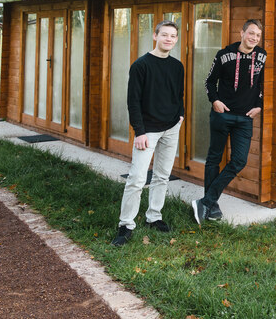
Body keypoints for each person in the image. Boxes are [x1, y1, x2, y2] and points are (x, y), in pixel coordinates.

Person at [112, 21, 185, 246]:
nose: (169, 39)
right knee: (137, 178)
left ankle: (154, 216)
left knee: (162, 175)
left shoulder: (177, 66)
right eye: (165, 35)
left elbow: (178, 94)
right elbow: (133, 101)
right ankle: (126, 225)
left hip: (171, 127)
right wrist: (140, 131)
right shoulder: (140, 65)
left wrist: (180, 116)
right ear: (155, 36)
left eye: (173, 36)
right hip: (148, 131)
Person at [192, 19, 266, 225]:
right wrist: (214, 100)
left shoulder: (262, 56)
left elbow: (260, 84)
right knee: (214, 157)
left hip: (245, 118)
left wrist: (259, 104)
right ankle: (211, 205)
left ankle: (206, 201)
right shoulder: (224, 55)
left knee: (239, 160)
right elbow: (209, 81)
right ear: (242, 33)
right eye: (251, 33)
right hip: (222, 114)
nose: (254, 38)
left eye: (258, 36)